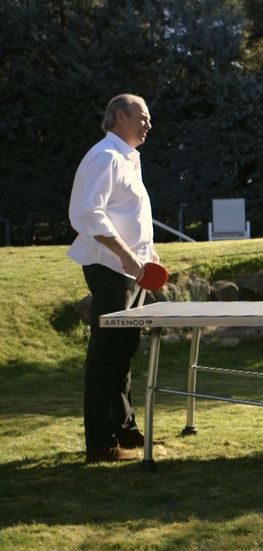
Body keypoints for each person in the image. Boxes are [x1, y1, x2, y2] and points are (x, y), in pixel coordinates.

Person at [68, 94, 157, 463]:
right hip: (110, 270)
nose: (148, 124)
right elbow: (89, 215)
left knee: (124, 351)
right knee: (106, 354)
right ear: (119, 116)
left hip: (130, 271)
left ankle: (125, 429)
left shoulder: (128, 159)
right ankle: (101, 444)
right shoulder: (106, 157)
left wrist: (148, 256)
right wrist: (127, 257)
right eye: (143, 117)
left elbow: (127, 217)